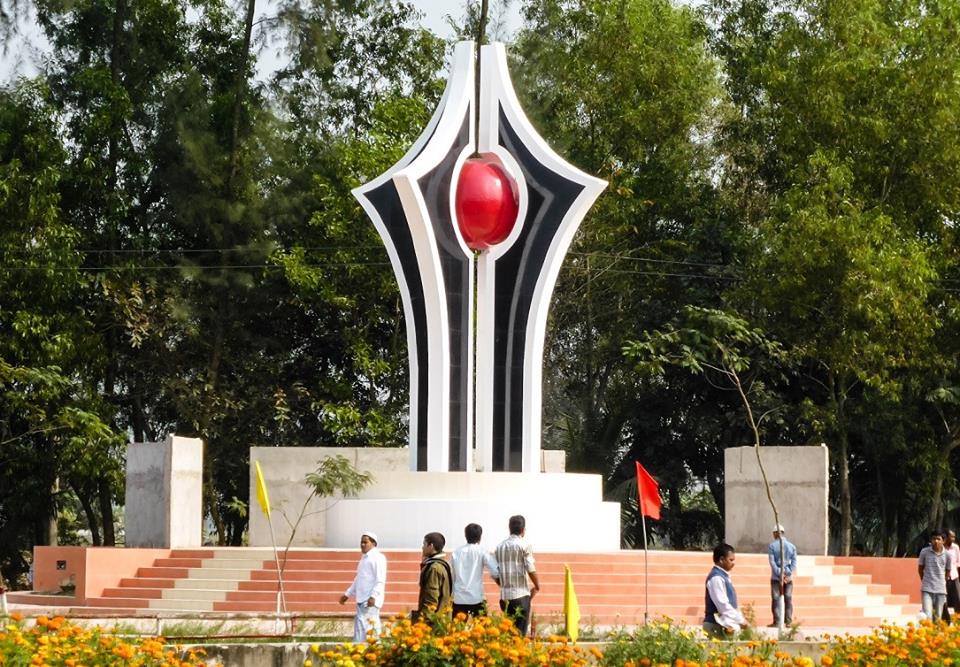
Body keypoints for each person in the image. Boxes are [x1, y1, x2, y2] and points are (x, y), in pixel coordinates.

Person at [493, 515, 540, 636]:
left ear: (509, 529)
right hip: (520, 596)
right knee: (519, 636)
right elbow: (530, 568)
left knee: (508, 635)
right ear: (523, 530)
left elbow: (494, 572)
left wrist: (502, 584)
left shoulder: (499, 547)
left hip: (505, 598)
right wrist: (537, 586)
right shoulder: (524, 545)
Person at [339, 531, 387, 644]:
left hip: (370, 601)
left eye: (365, 542)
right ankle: (359, 650)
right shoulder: (364, 559)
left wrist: (373, 596)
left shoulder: (378, 557)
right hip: (361, 600)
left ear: (373, 543)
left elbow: (380, 579)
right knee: (360, 631)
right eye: (361, 542)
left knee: (371, 630)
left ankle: (374, 651)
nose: (362, 545)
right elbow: (358, 579)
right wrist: (347, 594)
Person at [451, 523, 499, 617]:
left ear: (465, 535)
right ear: (480, 537)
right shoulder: (482, 551)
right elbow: (495, 570)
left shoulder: (456, 552)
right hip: (476, 598)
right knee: (481, 625)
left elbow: (450, 573)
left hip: (459, 598)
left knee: (458, 626)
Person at [704, 543, 747, 638]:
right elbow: (722, 605)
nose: (733, 563)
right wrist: (740, 620)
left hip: (725, 624)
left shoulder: (724, 577)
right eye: (731, 560)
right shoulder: (716, 578)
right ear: (721, 560)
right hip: (717, 625)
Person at [414, 532, 452, 624]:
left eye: (424, 544)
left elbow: (431, 598)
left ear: (431, 546)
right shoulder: (442, 564)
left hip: (434, 621)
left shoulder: (434, 568)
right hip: (441, 618)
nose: (422, 547)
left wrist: (424, 621)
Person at [919, 529, 954, 621]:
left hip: (941, 590)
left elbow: (948, 571)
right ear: (931, 540)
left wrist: (942, 581)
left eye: (938, 539)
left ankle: (936, 631)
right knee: (928, 615)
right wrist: (925, 580)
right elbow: (920, 569)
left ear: (943, 541)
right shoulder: (924, 552)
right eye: (934, 538)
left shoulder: (948, 555)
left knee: (938, 617)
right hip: (927, 589)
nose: (936, 541)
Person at [767, 524, 797, 627]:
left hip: (776, 577)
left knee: (776, 599)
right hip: (788, 578)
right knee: (788, 598)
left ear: (775, 533)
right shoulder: (792, 546)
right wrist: (787, 573)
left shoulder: (772, 546)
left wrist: (780, 573)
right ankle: (788, 622)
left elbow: (772, 563)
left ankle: (777, 621)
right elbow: (794, 563)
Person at [946, 530, 960, 623]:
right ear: (946, 537)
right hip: (944, 578)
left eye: (954, 537)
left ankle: (958, 620)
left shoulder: (956, 547)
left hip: (954, 576)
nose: (953, 539)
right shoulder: (942, 548)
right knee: (944, 600)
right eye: (951, 537)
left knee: (958, 599)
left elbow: (958, 563)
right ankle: (945, 621)